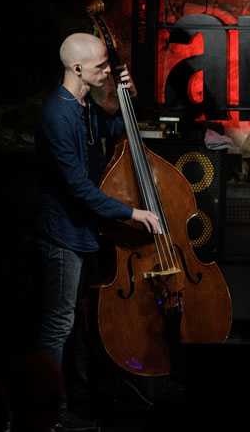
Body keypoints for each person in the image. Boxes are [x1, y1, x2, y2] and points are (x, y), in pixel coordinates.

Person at [34, 32, 160, 429]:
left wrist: (128, 98)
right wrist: (132, 213)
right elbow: (78, 187)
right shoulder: (57, 114)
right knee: (57, 325)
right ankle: (45, 410)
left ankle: (80, 401)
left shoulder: (83, 105)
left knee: (79, 324)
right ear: (77, 69)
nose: (109, 70)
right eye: (101, 66)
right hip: (61, 235)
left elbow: (111, 131)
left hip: (83, 232)